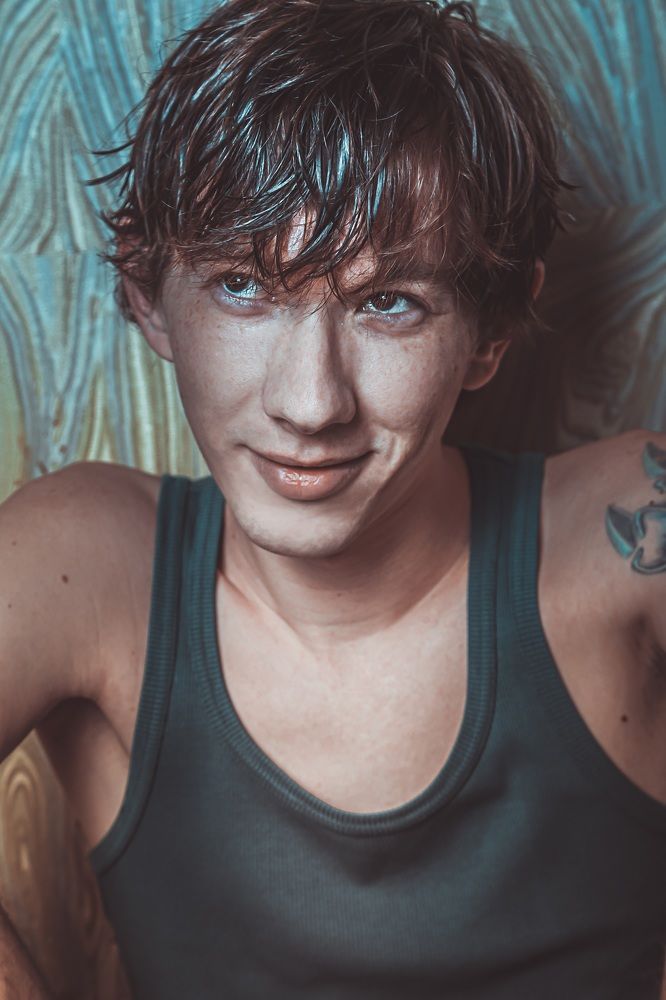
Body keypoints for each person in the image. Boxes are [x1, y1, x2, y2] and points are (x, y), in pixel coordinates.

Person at [1, 0, 665, 996]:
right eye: (242, 286)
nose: (311, 403)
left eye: (388, 303)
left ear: (489, 332)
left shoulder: (629, 534)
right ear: (147, 293)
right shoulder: (90, 563)